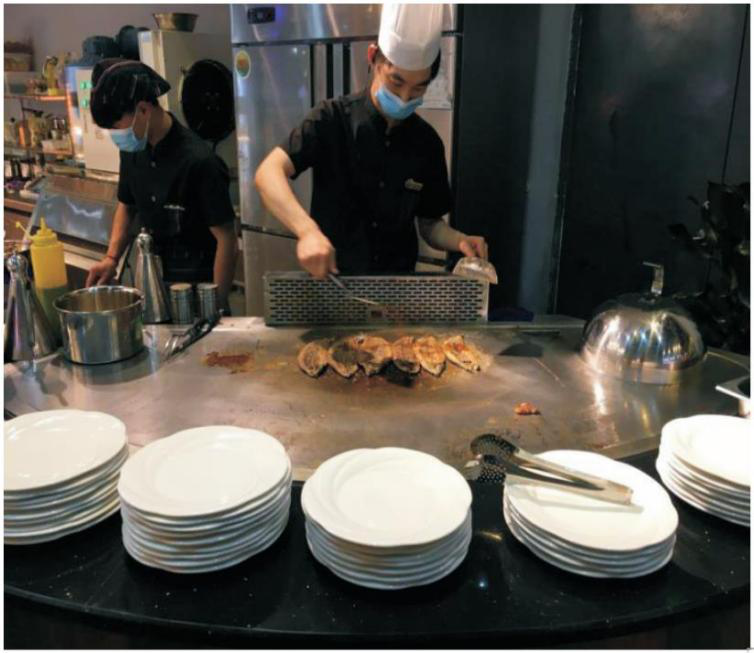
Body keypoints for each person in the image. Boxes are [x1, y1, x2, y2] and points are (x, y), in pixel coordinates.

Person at [254, 3, 487, 279]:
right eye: (396, 82)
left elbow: (428, 224)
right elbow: (268, 173)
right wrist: (307, 231)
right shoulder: (331, 118)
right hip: (334, 285)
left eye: (418, 89)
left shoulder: (427, 143)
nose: (404, 98)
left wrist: (459, 240)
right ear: (373, 58)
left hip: (396, 291)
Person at [85, 59, 238, 310]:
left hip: (198, 291)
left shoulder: (200, 161)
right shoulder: (133, 151)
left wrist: (216, 306)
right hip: (153, 283)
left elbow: (227, 240)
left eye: (116, 127)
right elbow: (126, 205)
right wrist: (111, 258)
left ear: (144, 110)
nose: (116, 136)